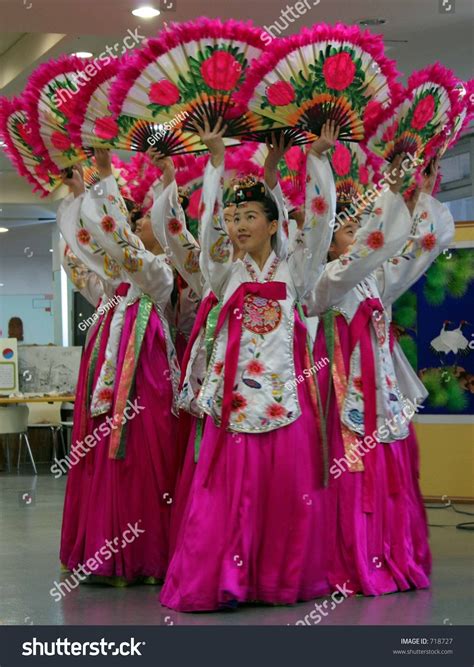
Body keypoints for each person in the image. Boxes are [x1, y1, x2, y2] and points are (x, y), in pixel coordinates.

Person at [160, 119, 338, 612]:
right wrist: (216, 162)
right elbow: (208, 228)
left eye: (249, 217)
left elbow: (321, 225)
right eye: (234, 218)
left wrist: (317, 160)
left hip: (285, 398)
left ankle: (277, 580)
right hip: (232, 404)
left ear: (274, 222)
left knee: (285, 494)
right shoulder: (223, 271)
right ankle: (222, 581)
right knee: (223, 496)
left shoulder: (296, 269)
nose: (238, 226)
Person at [307, 154, 433, 596]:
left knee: (383, 475)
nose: (358, 234)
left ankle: (384, 551)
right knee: (348, 472)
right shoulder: (326, 281)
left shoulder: (371, 281)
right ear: (328, 242)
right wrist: (392, 193)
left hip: (379, 398)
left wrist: (417, 199)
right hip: (343, 398)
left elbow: (413, 253)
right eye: (348, 229)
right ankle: (345, 556)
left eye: (361, 225)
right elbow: (371, 246)